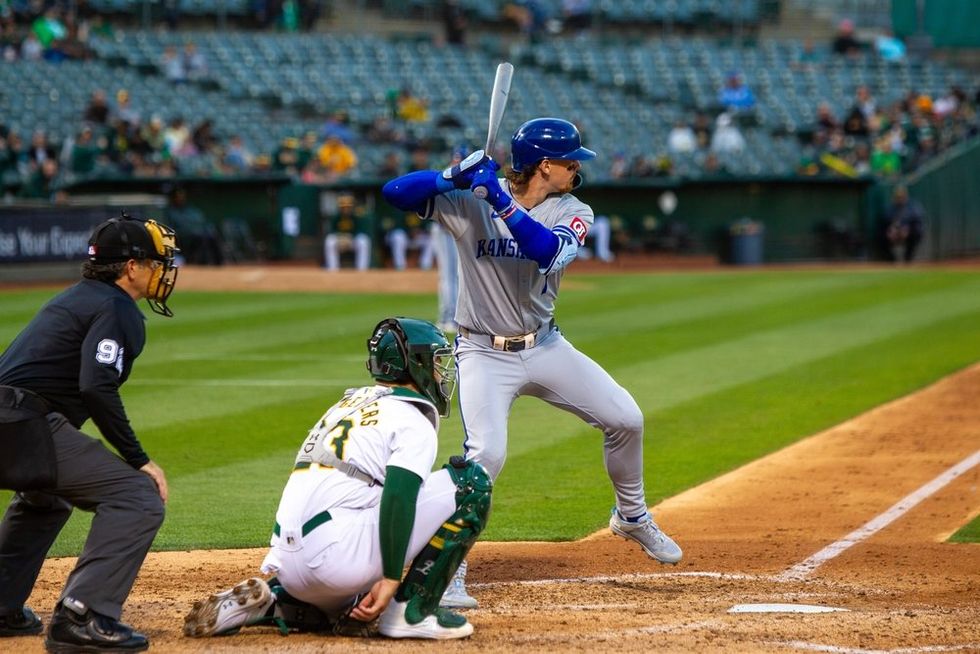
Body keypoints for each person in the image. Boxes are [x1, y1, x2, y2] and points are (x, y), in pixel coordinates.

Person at [382, 117, 682, 609]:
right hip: (481, 351)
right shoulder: (470, 197)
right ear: (546, 165)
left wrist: (497, 200)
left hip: (545, 347)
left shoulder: (571, 208)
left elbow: (546, 253)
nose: (576, 170)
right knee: (486, 457)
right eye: (570, 162)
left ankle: (631, 516)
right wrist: (449, 177)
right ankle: (447, 569)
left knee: (626, 418)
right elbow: (394, 192)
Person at [183, 318, 491, 640]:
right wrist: (388, 578)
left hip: (287, 565)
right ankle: (412, 613)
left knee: (345, 591)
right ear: (416, 364)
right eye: (435, 361)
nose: (440, 372)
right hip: (336, 561)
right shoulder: (411, 418)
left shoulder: (347, 404)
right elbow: (398, 498)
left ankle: (277, 600)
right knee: (471, 483)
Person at [0, 214, 178, 651]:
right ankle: (83, 615)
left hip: (12, 419)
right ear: (131, 267)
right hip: (21, 424)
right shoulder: (117, 308)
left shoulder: (76, 298)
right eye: (156, 262)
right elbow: (95, 385)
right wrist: (139, 459)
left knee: (47, 497)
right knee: (137, 496)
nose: (163, 271)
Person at [323, 193, 372, 271]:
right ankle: (333, 269)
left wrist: (350, 237)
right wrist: (340, 237)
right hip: (340, 240)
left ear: (351, 207)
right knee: (329, 241)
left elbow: (360, 230)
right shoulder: (336, 216)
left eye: (348, 207)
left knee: (364, 241)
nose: (346, 209)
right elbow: (331, 230)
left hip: (352, 240)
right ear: (340, 208)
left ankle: (362, 269)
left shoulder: (356, 217)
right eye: (343, 207)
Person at [884, 185, 926, 262]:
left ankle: (908, 259)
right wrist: (891, 229)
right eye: (898, 197)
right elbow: (887, 219)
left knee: (917, 231)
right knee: (881, 235)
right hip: (895, 233)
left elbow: (917, 219)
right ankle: (892, 261)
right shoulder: (891, 207)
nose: (900, 198)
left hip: (910, 233)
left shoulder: (913, 205)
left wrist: (907, 229)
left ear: (906, 196)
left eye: (901, 196)